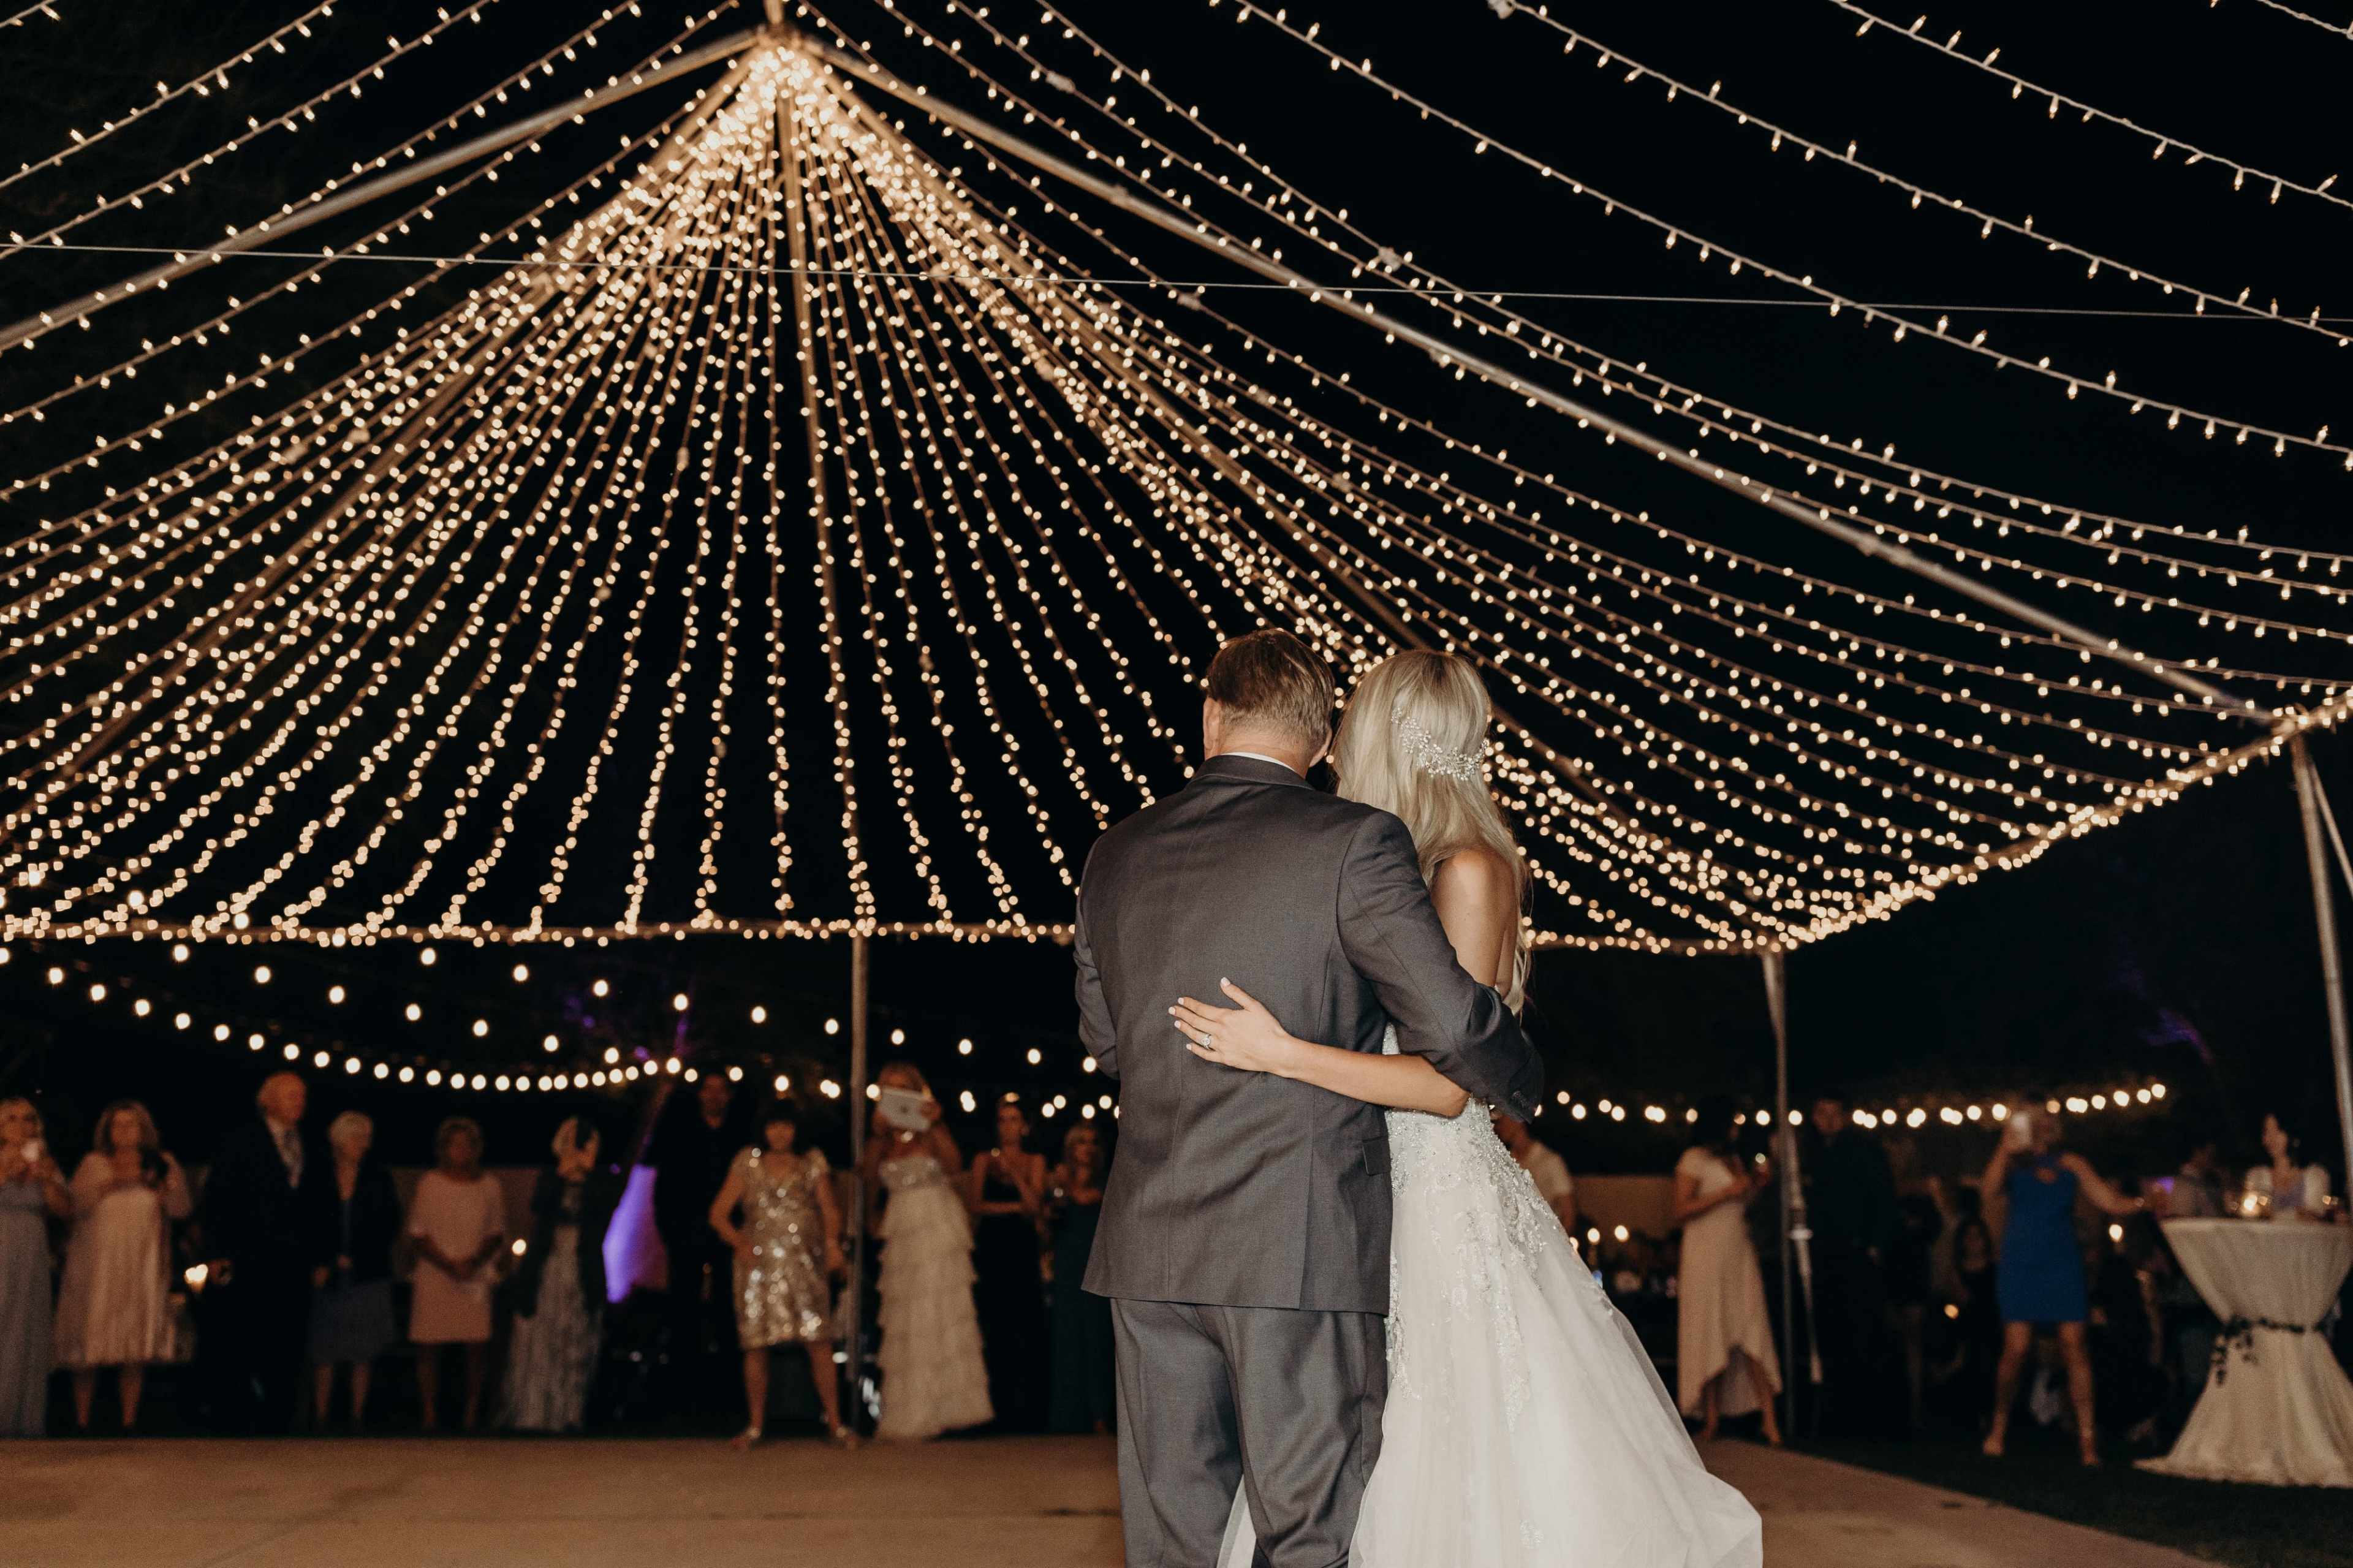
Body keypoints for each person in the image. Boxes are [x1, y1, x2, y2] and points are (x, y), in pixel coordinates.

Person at [1132, 639, 1756, 1568]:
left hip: (1432, 1194)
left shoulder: (1467, 867)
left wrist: (1283, 1052)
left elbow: (1443, 1086)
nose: (1338, 741)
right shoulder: (1400, 864)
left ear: (1392, 736)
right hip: (1373, 1185)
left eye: (1356, 722)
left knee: (1438, 1446)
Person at [1980, 1106, 2146, 1466]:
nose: (2039, 1128)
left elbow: (2108, 1200)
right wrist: (2003, 1147)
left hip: (2061, 1262)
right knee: (2017, 1348)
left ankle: (2088, 1442)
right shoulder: (2012, 1163)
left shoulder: (2073, 1164)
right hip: (2021, 1261)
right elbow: (1987, 1192)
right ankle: (1998, 1427)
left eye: (2043, 1122)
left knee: (2074, 1345)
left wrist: (2144, 1203)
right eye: (2030, 1122)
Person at [708, 1101, 849, 1447]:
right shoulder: (748, 1161)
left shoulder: (812, 1161)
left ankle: (836, 1423)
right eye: (773, 1126)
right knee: (756, 1344)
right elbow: (719, 1214)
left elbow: (829, 1208)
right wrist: (739, 1242)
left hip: (804, 1262)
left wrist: (832, 1244)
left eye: (786, 1125)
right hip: (759, 1267)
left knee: (819, 1340)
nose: (780, 1133)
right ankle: (755, 1426)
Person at [863, 1063, 991, 1440]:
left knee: (938, 1311)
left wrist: (933, 1124)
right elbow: (869, 1176)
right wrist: (876, 1136)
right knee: (906, 1316)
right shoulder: (883, 1138)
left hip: (936, 1223)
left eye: (903, 1088)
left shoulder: (931, 1129)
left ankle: (949, 1409)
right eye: (889, 1088)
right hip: (901, 1225)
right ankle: (910, 1412)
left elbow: (954, 1166)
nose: (897, 1094)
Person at [55, 1100, 192, 1433]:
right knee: (90, 1341)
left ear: (144, 1129)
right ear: (107, 1130)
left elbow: (182, 1209)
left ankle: (129, 1421)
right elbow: (72, 1207)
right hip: (98, 1268)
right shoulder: (94, 1164)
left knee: (135, 1343)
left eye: (132, 1124)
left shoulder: (162, 1163)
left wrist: (160, 1187)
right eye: (118, 1125)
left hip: (141, 1267)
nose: (125, 1131)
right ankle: (82, 1422)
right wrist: (111, 1182)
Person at [198, 1071, 317, 1432]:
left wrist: (320, 1257)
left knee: (288, 1340)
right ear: (268, 1100)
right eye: (291, 1095)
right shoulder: (241, 1141)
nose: (300, 1102)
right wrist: (216, 1253)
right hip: (248, 1257)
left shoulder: (310, 1143)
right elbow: (217, 1200)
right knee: (242, 1337)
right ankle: (235, 1417)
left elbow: (319, 1205)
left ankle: (279, 1419)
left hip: (293, 1262)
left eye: (302, 1096)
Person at [1671, 1095, 1784, 1445]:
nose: (1737, 1128)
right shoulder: (1692, 1160)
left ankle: (1769, 1419)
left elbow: (1741, 1203)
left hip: (1737, 1250)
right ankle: (1711, 1418)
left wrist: (1754, 1189)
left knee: (1752, 1325)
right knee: (1710, 1327)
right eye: (1732, 1122)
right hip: (1705, 1253)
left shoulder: (1734, 1160)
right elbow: (1680, 1209)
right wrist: (1727, 1193)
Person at [506, 1116, 620, 1434]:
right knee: (541, 1341)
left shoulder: (603, 1181)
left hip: (582, 1273)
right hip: (548, 1270)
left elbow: (604, 1212)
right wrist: (561, 1174)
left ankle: (572, 1414)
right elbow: (540, 1208)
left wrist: (589, 1172)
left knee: (578, 1339)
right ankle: (534, 1413)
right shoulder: (549, 1178)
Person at [648, 1072, 749, 1414]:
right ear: (700, 1094)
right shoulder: (681, 1135)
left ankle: (729, 1401)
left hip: (728, 1239)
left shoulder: (740, 1138)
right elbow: (664, 1190)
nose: (714, 1096)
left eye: (721, 1091)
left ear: (730, 1096)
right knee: (683, 1315)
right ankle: (681, 1399)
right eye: (709, 1089)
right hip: (686, 1236)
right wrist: (672, 1234)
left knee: (728, 1315)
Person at [1806, 1090, 1902, 1437]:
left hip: (1858, 1254)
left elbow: (1883, 1199)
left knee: (1864, 1333)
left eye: (1834, 1112)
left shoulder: (1865, 1150)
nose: (1828, 1119)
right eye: (1821, 1111)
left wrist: (1875, 1245)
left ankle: (1870, 1417)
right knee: (1831, 1334)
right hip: (1824, 1258)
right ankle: (1836, 1415)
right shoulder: (1810, 1154)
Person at [407, 1116, 506, 1433]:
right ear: (444, 1149)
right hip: (435, 1273)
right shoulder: (429, 1184)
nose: (461, 1150)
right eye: (455, 1144)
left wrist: (473, 1262)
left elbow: (496, 1231)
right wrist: (449, 1265)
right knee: (429, 1346)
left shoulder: (489, 1186)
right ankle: (429, 1414)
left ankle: (471, 1414)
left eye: (468, 1144)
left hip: (474, 1277)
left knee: (476, 1348)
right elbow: (418, 1233)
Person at [306, 1111, 401, 1430]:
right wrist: (326, 1261)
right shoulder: (318, 1175)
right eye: (356, 1138)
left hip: (368, 1273)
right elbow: (307, 1222)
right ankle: (321, 1417)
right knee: (325, 1348)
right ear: (339, 1141)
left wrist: (357, 1258)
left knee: (363, 1349)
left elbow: (389, 1224)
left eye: (366, 1138)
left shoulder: (378, 1177)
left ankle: (357, 1416)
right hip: (326, 1276)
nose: (363, 1144)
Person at [967, 1095, 1048, 1433]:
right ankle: (997, 1410)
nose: (1008, 1126)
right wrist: (1011, 1208)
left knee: (1027, 1325)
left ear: (1024, 1125)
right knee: (994, 1326)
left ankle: (1030, 1412)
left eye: (1014, 1119)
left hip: (1022, 1247)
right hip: (992, 1247)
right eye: (1002, 1119)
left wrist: (1015, 1174)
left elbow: (1033, 1205)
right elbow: (974, 1205)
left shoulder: (1034, 1160)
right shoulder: (982, 1160)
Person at [0, 1097, 72, 1435]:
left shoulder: (43, 1161)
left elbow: (65, 1211)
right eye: (11, 1118)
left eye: (28, 1119)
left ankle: (22, 1422)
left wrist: (46, 1180)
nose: (20, 1125)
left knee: (27, 1329)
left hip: (30, 1248)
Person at [1046, 1121, 1116, 1436]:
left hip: (1098, 1264)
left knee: (1098, 1338)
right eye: (1080, 1141)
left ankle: (1101, 1415)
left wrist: (1065, 1185)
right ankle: (1067, 1417)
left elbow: (1090, 1200)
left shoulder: (1107, 1180)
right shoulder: (1057, 1182)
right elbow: (1046, 1219)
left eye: (1092, 1141)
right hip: (1067, 1263)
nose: (1087, 1147)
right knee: (1068, 1338)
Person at [1492, 1112, 1575, 1237]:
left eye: (1501, 1121)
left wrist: (1558, 1249)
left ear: (1518, 1120)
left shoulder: (1550, 1160)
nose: (1498, 1127)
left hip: (1545, 1239)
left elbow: (1568, 1213)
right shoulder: (1504, 1161)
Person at [2249, 1111, 2333, 1217]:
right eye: (2266, 1131)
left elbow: (2315, 1218)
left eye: (2277, 1130)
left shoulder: (2315, 1176)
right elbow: (2253, 1215)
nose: (2271, 1138)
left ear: (2291, 1134)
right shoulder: (2256, 1176)